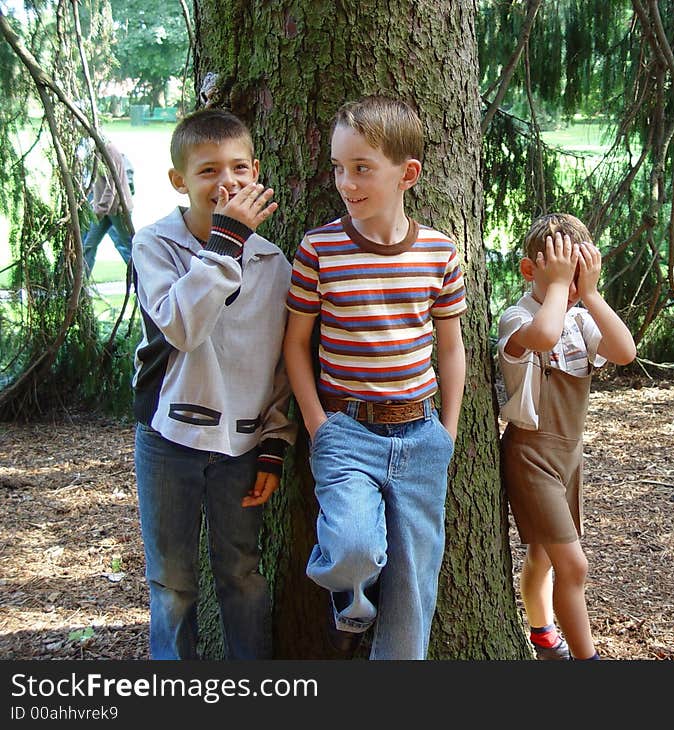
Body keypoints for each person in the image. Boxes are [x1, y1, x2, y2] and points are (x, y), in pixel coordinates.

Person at [283, 95, 467, 660]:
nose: (346, 182)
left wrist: (448, 432)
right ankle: (351, 596)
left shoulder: (439, 254)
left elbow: (451, 350)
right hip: (347, 433)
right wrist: (320, 427)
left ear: (407, 174)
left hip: (421, 437)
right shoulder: (320, 249)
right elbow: (295, 345)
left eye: (362, 168)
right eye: (339, 167)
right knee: (352, 548)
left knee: (414, 596)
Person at [130, 108, 296, 660]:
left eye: (239, 168)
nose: (226, 182)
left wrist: (275, 444)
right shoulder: (155, 245)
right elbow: (181, 326)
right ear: (180, 181)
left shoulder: (274, 262)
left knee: (242, 576)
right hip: (168, 439)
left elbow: (277, 362)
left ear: (256, 173)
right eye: (207, 171)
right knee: (173, 587)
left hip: (243, 445)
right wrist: (225, 244)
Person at [497, 213, 636, 660]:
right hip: (532, 455)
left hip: (569, 456)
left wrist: (589, 295)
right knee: (574, 565)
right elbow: (542, 336)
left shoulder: (579, 320)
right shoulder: (517, 318)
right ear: (528, 270)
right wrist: (558, 286)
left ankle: (542, 634)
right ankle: (585, 659)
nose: (569, 286)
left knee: (542, 553)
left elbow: (624, 351)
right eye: (558, 274)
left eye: (576, 276)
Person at [81, 139, 135, 274]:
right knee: (89, 245)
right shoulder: (95, 152)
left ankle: (143, 284)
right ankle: (82, 288)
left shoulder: (109, 150)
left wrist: (100, 209)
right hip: (103, 210)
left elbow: (112, 185)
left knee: (130, 248)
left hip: (118, 209)